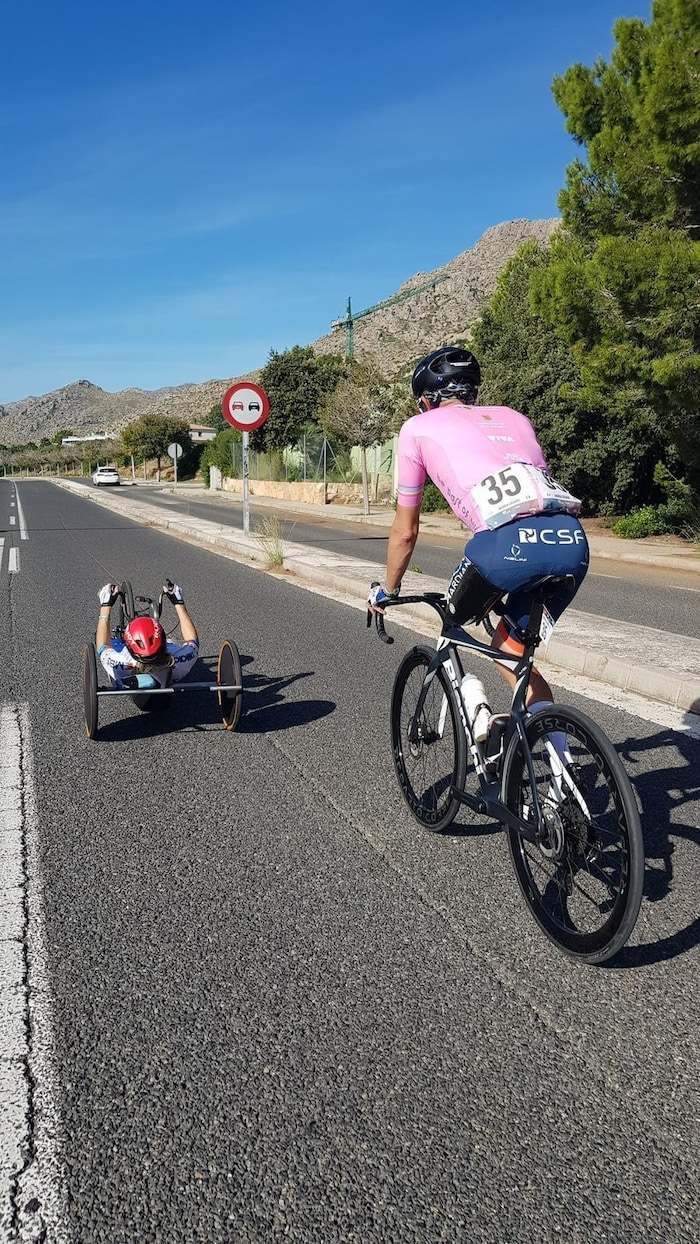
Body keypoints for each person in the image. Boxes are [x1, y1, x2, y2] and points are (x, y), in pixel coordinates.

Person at [367, 345, 589, 742]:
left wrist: (389, 590)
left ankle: (475, 706)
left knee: (453, 623)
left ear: (426, 399)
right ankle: (562, 769)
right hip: (571, 541)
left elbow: (405, 531)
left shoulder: (417, 428)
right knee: (511, 648)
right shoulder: (515, 417)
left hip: (505, 547)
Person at [96, 581, 200, 687]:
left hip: (126, 665)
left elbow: (102, 646)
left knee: (114, 642)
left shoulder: (119, 664)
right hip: (170, 660)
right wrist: (178, 602)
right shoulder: (182, 660)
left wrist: (106, 605)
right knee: (174, 644)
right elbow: (192, 641)